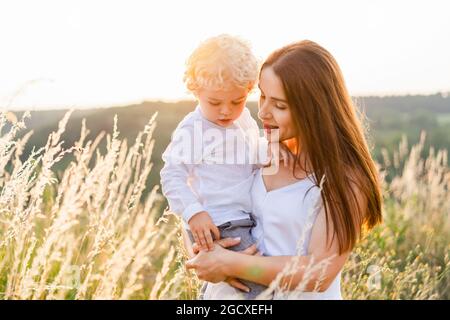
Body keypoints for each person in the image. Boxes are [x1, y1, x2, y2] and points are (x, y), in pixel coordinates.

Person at [185, 40, 383, 300]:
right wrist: (204, 254)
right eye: (262, 96)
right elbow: (195, 203)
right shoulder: (257, 149)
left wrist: (233, 265)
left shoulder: (344, 177)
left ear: (313, 109)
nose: (264, 113)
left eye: (279, 105)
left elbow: (320, 273)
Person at [160, 34, 270, 299]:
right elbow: (172, 174)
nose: (225, 111)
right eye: (214, 102)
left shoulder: (243, 119)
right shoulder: (193, 128)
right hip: (219, 223)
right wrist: (194, 213)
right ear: (196, 90)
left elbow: (254, 157)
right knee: (257, 289)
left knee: (244, 283)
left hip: (245, 218)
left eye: (236, 101)